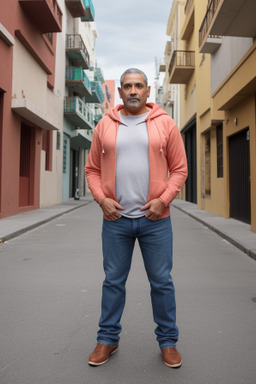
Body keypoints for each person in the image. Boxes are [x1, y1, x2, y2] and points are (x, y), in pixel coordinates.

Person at [85, 68, 187, 368]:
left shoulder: (165, 124)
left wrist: (163, 200)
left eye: (138, 86)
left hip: (156, 221)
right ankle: (107, 339)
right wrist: (102, 199)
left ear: (147, 90)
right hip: (115, 220)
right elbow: (92, 169)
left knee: (162, 283)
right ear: (119, 93)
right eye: (127, 86)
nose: (132, 91)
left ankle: (168, 342)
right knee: (113, 282)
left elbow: (179, 169)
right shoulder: (104, 125)